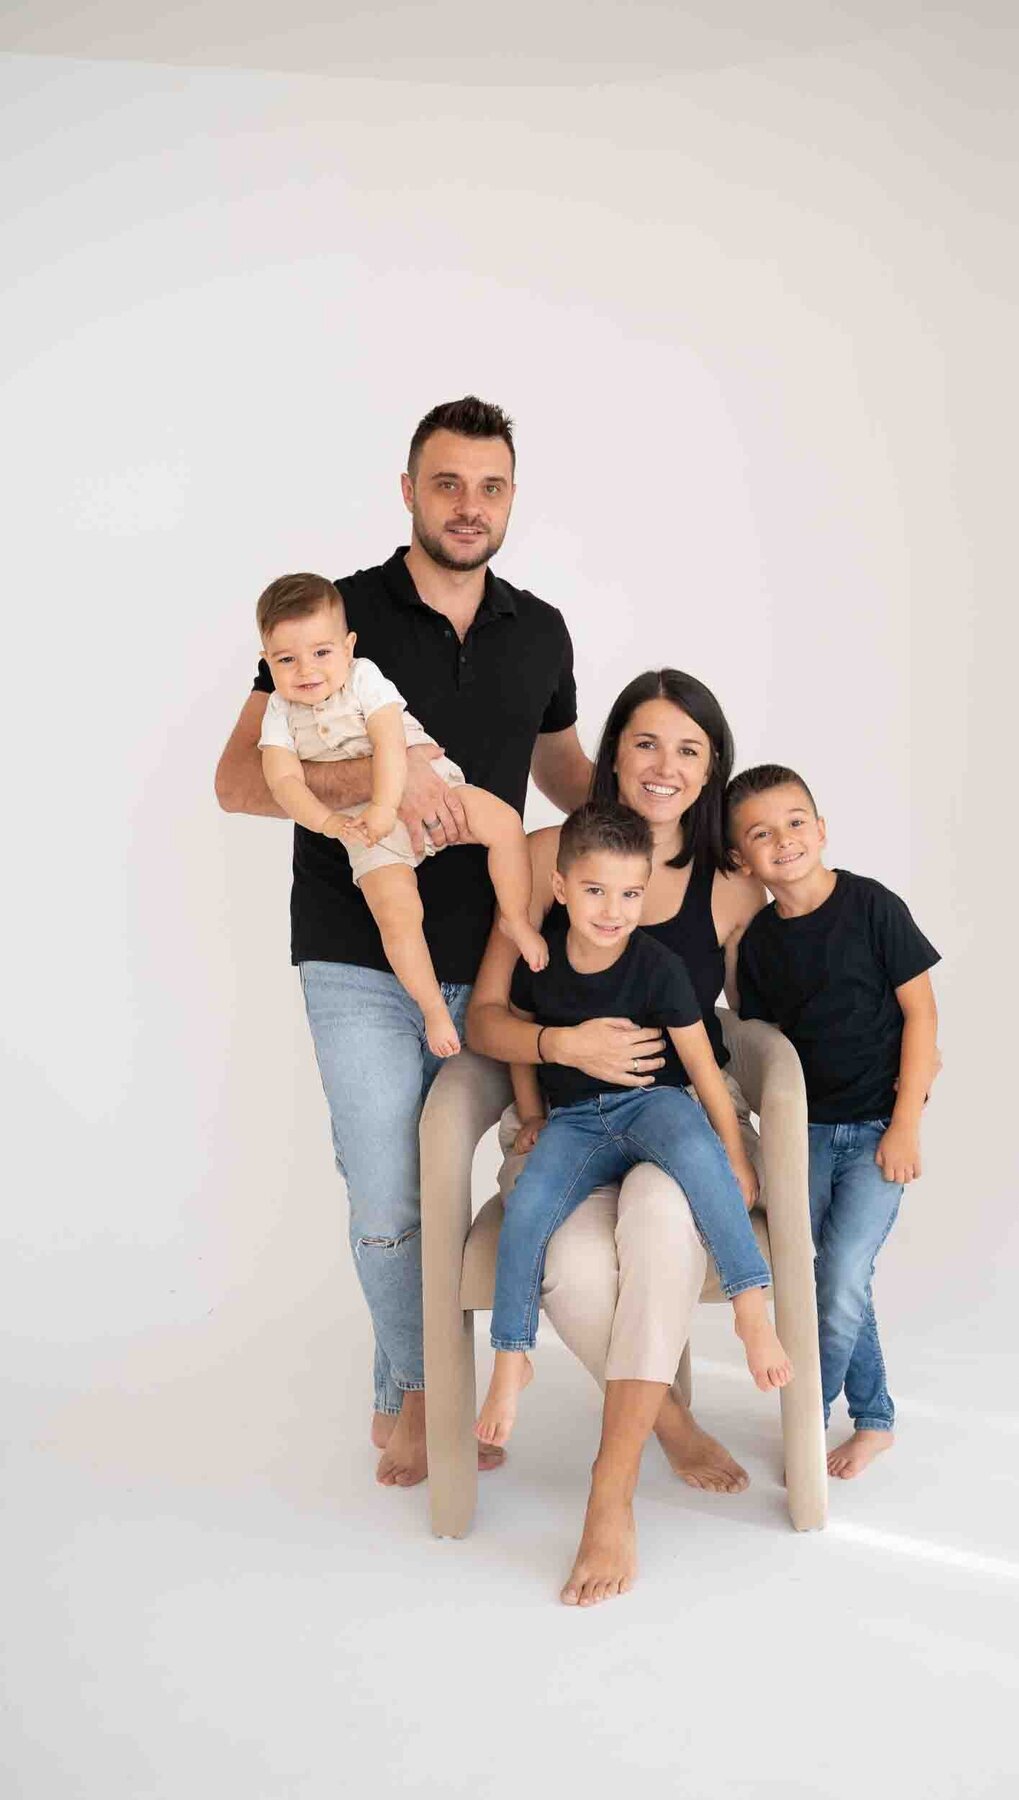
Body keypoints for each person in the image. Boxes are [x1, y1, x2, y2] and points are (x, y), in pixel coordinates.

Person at [214, 396, 593, 1488]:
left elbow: (565, 778)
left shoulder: (542, 631)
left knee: (536, 1173)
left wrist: (671, 807)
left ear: (511, 499)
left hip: (507, 965)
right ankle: (425, 1385)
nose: (469, 506)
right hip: (359, 953)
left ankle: (410, 1394)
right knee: (389, 1190)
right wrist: (387, 778)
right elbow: (239, 782)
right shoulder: (335, 618)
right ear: (409, 492)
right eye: (447, 483)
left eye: (490, 487)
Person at [466, 669, 768, 1607]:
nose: (664, 766)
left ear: (711, 768)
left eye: (688, 749)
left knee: (658, 1220)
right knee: (571, 1269)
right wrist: (562, 1047)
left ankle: (610, 1491)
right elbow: (488, 1016)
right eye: (645, 742)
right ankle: (668, 1423)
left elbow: (760, 1030)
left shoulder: (731, 883)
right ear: (612, 752)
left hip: (676, 1120)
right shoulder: (547, 852)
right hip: (567, 1120)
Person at [475, 801, 792, 1448]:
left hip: (655, 1103)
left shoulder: (656, 965)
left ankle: (750, 1310)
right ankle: (511, 1357)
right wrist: (531, 1115)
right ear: (560, 887)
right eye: (594, 891)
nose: (612, 910)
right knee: (528, 1206)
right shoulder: (541, 962)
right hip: (574, 1122)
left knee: (701, 1157)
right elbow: (520, 1043)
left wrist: (734, 1153)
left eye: (629, 894)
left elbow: (701, 1065)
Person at [726, 764, 940, 1480]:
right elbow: (766, 1051)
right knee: (831, 1276)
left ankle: (807, 1419)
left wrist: (905, 1124)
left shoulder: (873, 906)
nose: (783, 840)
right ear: (742, 859)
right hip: (806, 1137)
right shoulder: (760, 944)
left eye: (794, 823)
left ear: (820, 829)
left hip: (880, 1128)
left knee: (844, 1273)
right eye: (761, 834)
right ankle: (875, 1419)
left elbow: (922, 1015)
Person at [255, 571, 547, 1057]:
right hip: (364, 827)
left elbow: (390, 743)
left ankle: (514, 918)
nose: (307, 670)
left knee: (504, 823)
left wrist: (386, 805)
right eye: (287, 660)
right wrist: (328, 823)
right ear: (268, 662)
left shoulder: (363, 678)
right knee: (396, 915)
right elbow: (284, 782)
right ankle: (433, 1010)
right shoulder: (279, 712)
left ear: (348, 647)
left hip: (432, 786)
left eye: (322, 653)